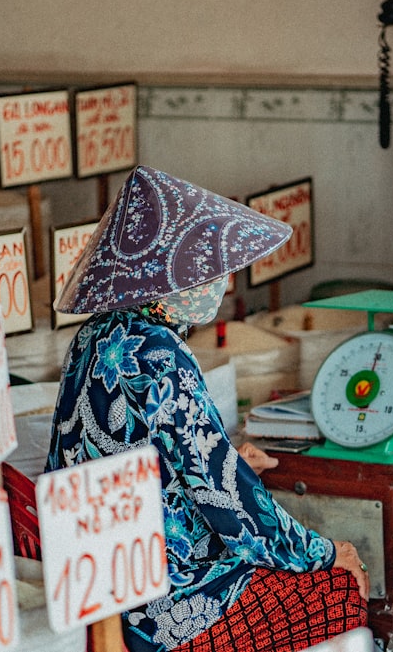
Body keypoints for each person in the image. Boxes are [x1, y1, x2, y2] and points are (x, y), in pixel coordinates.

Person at [47, 166, 369, 652]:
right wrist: (326, 553)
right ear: (166, 278)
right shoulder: (159, 354)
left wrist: (228, 457)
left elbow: (155, 453)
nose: (219, 281)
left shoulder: (94, 334)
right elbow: (225, 501)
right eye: (205, 270)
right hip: (159, 604)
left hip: (98, 572)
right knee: (341, 593)